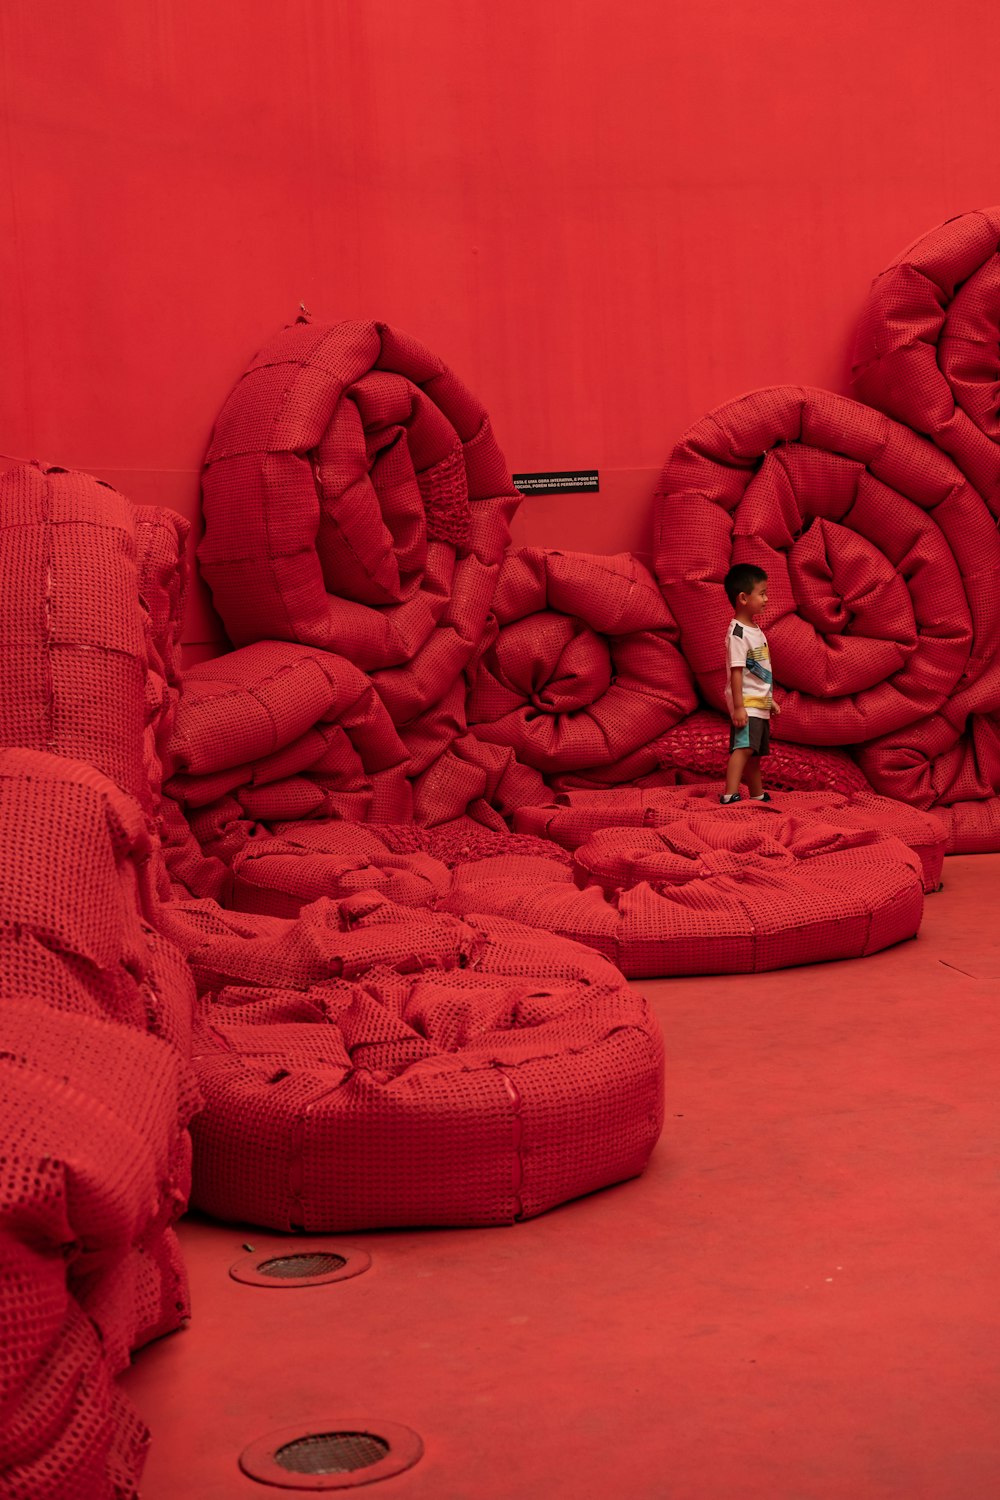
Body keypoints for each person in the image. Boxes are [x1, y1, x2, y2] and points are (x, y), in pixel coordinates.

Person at [720, 563, 780, 804]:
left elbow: (757, 671)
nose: (766, 598)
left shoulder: (756, 630)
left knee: (754, 753)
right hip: (746, 704)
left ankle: (756, 793)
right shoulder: (738, 633)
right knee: (743, 748)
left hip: (759, 702)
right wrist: (739, 707)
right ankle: (729, 794)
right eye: (762, 593)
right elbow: (736, 673)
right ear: (743, 598)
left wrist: (769, 701)